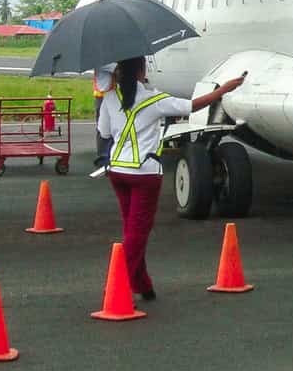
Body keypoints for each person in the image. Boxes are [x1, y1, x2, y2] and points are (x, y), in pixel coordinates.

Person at [100, 56, 247, 300]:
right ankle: (119, 283)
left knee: (131, 230)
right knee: (137, 234)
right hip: (144, 173)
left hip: (118, 170)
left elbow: (104, 131)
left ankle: (142, 284)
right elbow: (193, 105)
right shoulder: (155, 100)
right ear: (141, 70)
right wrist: (223, 89)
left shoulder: (109, 97)